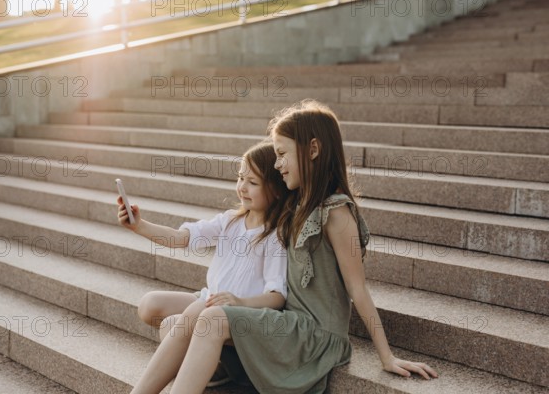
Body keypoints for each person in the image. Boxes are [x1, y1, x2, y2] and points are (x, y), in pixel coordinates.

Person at [163, 100, 439, 394]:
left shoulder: (337, 214)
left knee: (211, 319)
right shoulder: (298, 204)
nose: (277, 163)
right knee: (177, 322)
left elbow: (358, 289)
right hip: (288, 323)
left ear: (314, 150)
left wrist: (387, 356)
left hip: (316, 337)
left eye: (282, 154)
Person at [117, 141, 289, 392]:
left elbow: (277, 297)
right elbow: (181, 238)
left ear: (275, 189)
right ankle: (216, 367)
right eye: (241, 177)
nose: (242, 187)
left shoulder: (275, 236)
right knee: (152, 308)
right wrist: (139, 226)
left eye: (253, 182)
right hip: (210, 301)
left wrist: (239, 302)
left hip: (242, 316)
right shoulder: (231, 220)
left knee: (189, 317)